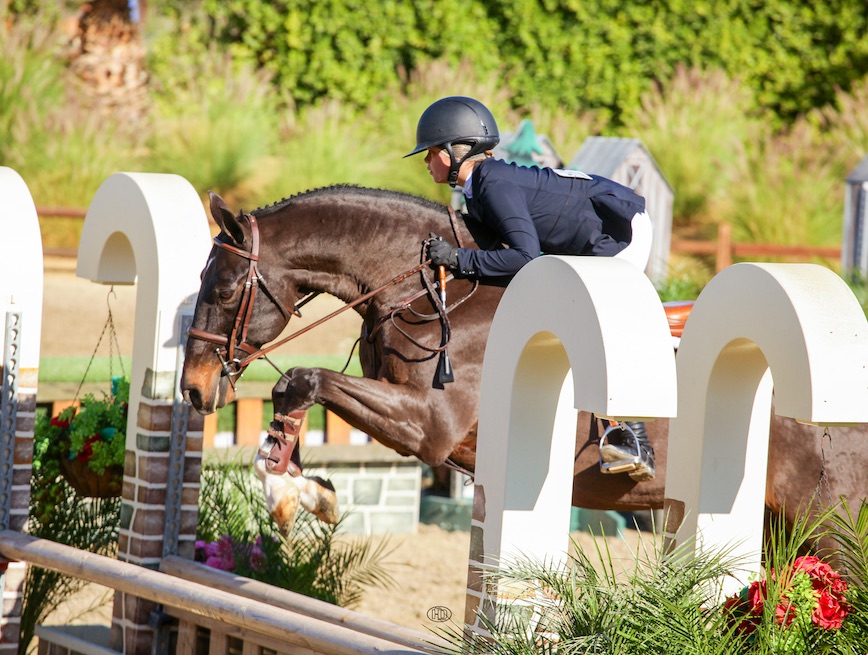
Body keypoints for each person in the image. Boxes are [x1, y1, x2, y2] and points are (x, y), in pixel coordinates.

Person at [405, 95, 656, 481]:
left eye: (431, 152)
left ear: (458, 151)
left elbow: (524, 257)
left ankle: (631, 436)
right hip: (594, 232)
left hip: (617, 233)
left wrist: (458, 260)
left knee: (587, 312)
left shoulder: (492, 185)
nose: (425, 161)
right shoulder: (478, 188)